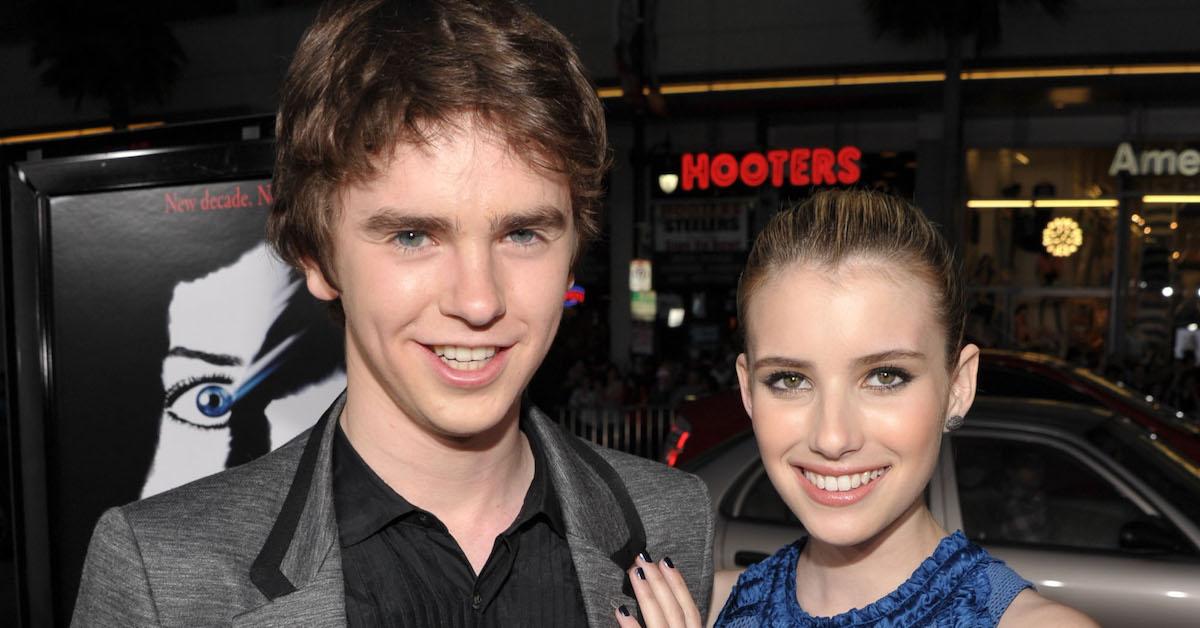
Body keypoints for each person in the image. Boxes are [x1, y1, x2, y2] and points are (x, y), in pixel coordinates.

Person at [71, 1, 713, 626]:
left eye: (522, 233)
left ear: (574, 253)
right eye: (412, 236)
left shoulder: (670, 522)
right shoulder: (162, 574)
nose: (478, 300)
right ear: (318, 260)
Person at [711, 190, 1095, 626]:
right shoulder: (695, 612)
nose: (833, 438)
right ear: (747, 390)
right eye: (791, 380)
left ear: (959, 384)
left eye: (884, 376)